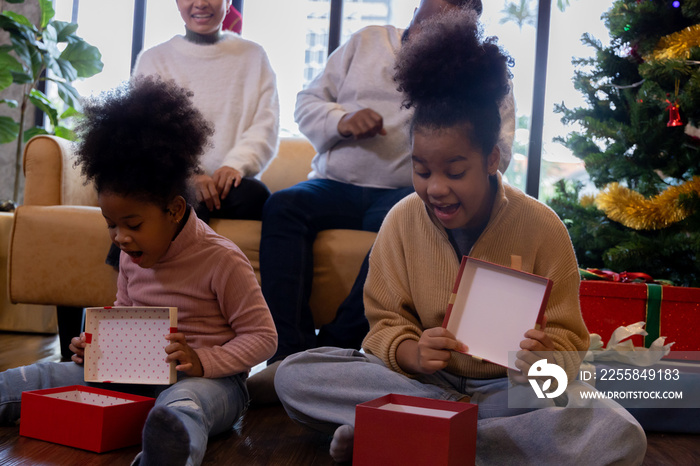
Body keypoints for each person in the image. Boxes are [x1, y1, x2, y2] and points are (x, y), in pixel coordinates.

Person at [274, 8, 646, 465]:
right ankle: (457, 433)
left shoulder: (542, 227)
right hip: (423, 386)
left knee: (620, 431)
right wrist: (411, 352)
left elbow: (570, 352)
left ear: (492, 159)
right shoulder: (402, 220)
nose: (435, 188)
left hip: (508, 393)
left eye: (455, 171)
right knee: (295, 374)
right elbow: (383, 326)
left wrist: (544, 361)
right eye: (421, 169)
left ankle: (409, 433)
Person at [0, 77, 278, 466]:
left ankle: (167, 450)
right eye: (111, 224)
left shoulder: (222, 259)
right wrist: (95, 346)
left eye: (133, 224)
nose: (120, 238)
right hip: (132, 375)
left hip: (212, 383)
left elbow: (263, 337)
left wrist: (202, 362)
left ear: (176, 210)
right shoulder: (132, 256)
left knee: (183, 405)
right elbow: (125, 314)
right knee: (39, 378)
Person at [252, 0, 514, 396]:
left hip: (403, 193)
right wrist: (341, 121)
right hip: (333, 183)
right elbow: (306, 102)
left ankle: (332, 351)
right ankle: (287, 352)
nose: (438, 27)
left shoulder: (472, 70)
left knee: (409, 224)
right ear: (417, 7)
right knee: (283, 206)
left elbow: (499, 149)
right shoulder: (367, 41)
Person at [130, 0, 279, 225]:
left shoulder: (254, 56)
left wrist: (235, 165)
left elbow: (265, 123)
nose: (200, 3)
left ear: (228, 2)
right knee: (184, 199)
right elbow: (146, 133)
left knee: (257, 196)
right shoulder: (154, 59)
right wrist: (190, 175)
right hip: (171, 178)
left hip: (227, 187)